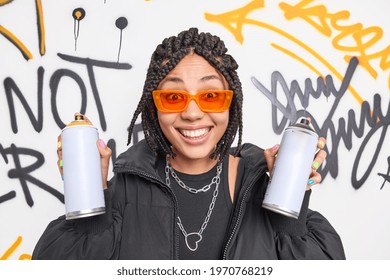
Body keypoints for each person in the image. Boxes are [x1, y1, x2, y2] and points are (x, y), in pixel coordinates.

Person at [32, 27, 345, 260]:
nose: (193, 113)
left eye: (210, 96)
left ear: (231, 105)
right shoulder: (123, 194)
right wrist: (91, 205)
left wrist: (291, 207)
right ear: (154, 107)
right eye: (173, 97)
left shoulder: (262, 187)